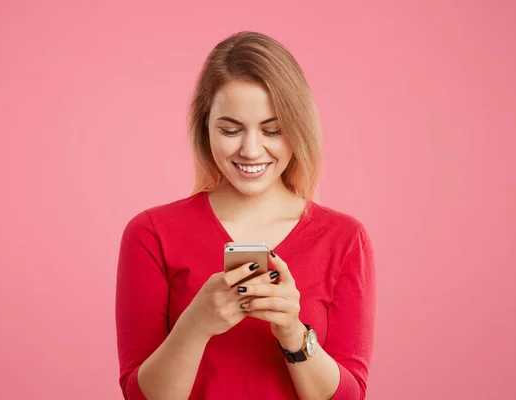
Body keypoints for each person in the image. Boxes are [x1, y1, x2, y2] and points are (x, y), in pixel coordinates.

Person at [115, 31, 376, 400]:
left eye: (272, 130)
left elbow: (350, 396)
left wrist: (292, 332)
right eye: (230, 129)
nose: (251, 150)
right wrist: (196, 325)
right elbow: (140, 396)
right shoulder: (150, 233)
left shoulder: (344, 238)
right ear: (205, 129)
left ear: (298, 129)